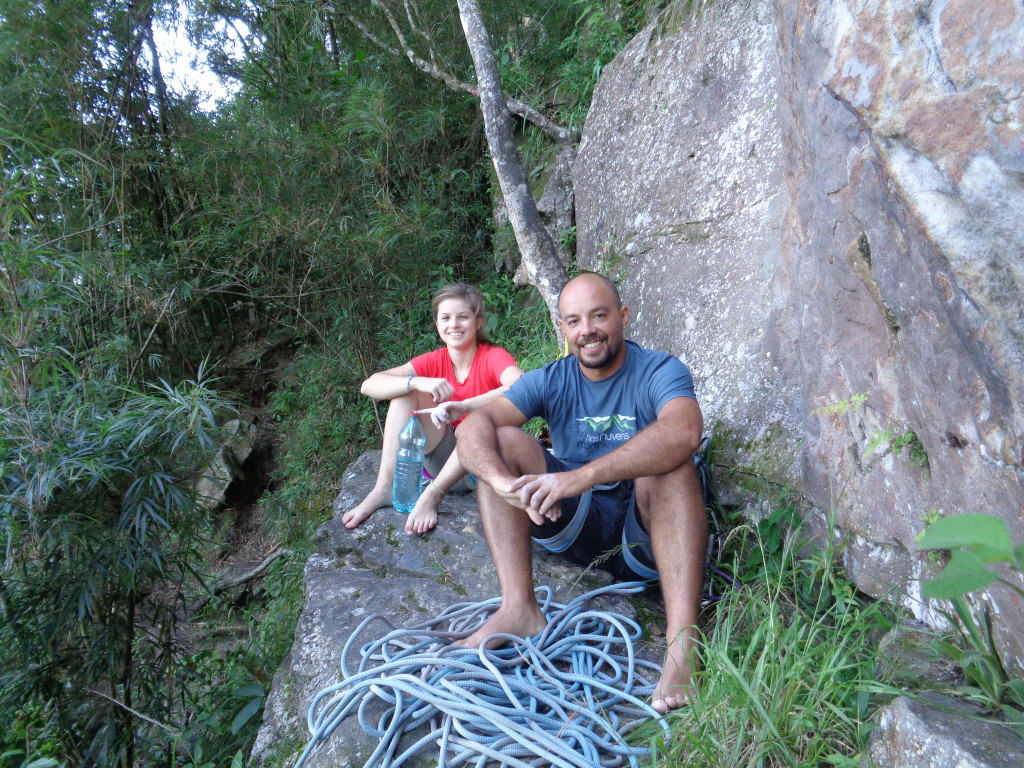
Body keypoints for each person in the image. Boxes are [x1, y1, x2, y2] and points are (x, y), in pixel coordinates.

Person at [455, 272, 706, 715]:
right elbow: (475, 424)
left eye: (598, 315)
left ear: (623, 317)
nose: (586, 329)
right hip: (573, 528)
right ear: (563, 329)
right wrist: (497, 481)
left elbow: (684, 430)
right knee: (504, 440)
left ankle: (682, 646)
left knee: (669, 461)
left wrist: (580, 476)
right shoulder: (551, 378)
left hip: (646, 537)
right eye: (573, 321)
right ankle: (519, 607)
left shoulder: (659, 370)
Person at [342, 284, 523, 536]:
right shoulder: (433, 360)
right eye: (446, 318)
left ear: (478, 322)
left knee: (474, 424)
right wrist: (415, 381)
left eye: (463, 317)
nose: (454, 325)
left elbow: (522, 385)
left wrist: (465, 407)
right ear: (437, 324)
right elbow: (368, 385)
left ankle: (430, 496)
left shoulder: (492, 357)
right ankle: (384, 488)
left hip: (482, 463)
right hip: (442, 460)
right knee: (404, 396)